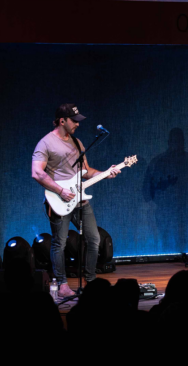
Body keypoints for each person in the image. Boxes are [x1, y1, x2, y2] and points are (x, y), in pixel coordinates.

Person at [31, 104, 120, 298]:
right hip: (58, 200)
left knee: (94, 238)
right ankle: (62, 284)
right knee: (59, 243)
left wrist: (106, 173)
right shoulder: (45, 143)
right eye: (74, 120)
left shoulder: (77, 142)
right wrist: (60, 190)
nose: (77, 124)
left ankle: (91, 281)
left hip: (80, 200)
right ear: (62, 121)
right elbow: (37, 172)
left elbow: (85, 171)